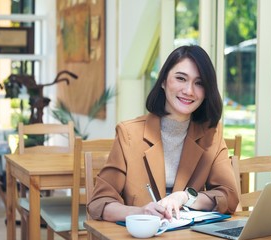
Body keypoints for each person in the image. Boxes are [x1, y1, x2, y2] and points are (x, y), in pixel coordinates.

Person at [87, 45, 239, 222]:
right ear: (163, 81)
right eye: (181, 78)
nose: (189, 90)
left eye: (199, 83)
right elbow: (99, 203)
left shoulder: (211, 133)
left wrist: (185, 197)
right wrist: (141, 212)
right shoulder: (129, 133)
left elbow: (229, 197)